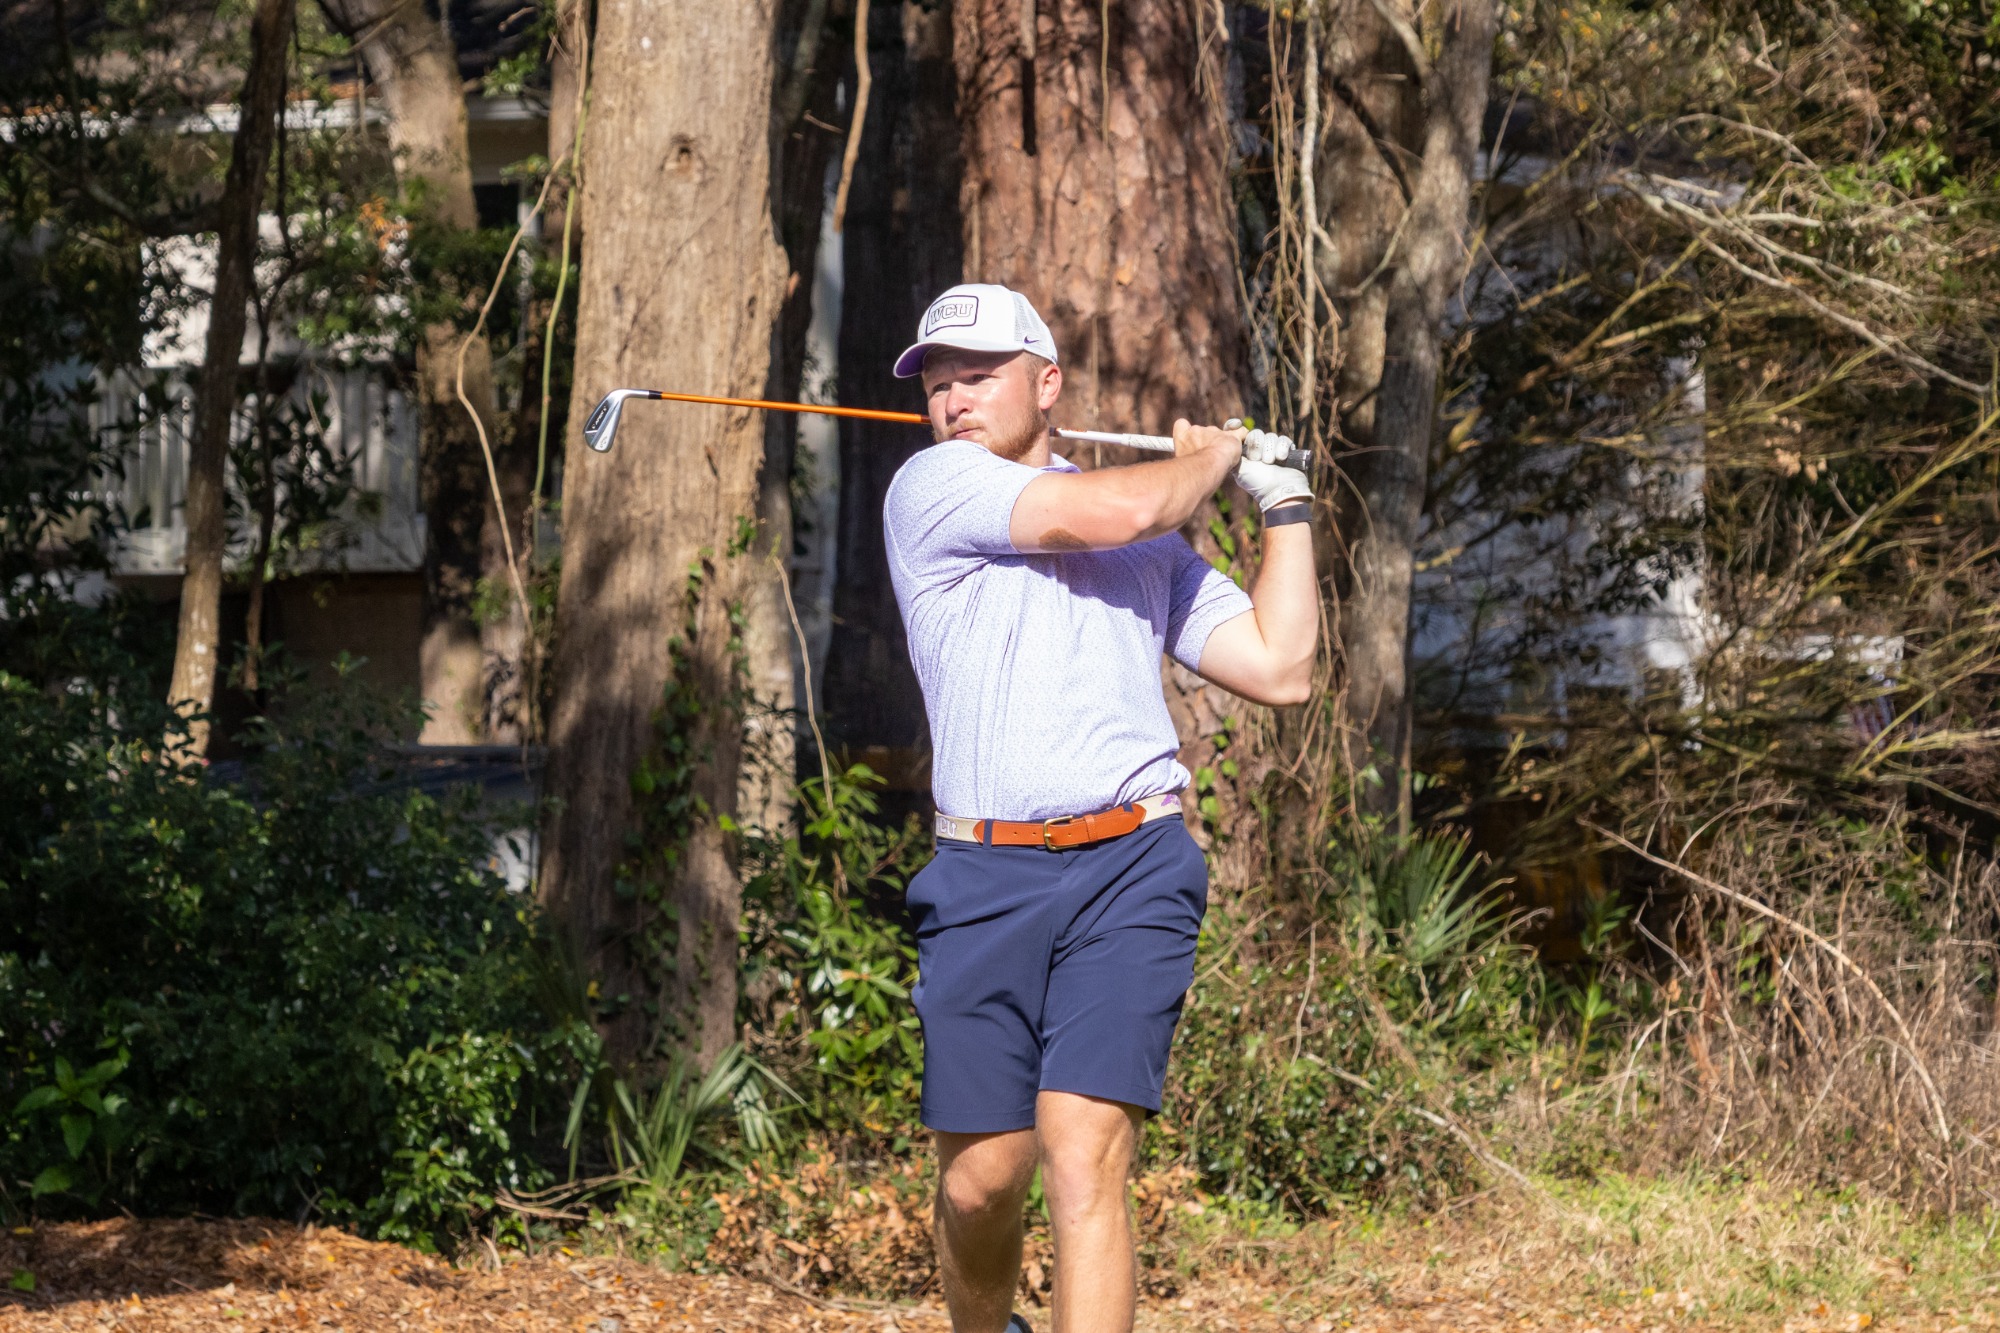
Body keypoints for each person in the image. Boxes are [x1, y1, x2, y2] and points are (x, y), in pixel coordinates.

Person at [883, 283, 1321, 1332]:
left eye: (977, 377)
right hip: (984, 874)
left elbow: (1279, 666)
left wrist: (1284, 504)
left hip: (1130, 864)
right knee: (979, 1185)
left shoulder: (1148, 549)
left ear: (1046, 384)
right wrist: (1214, 456)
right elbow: (1123, 507)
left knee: (1083, 1154)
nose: (952, 400)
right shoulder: (933, 487)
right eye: (937, 384)